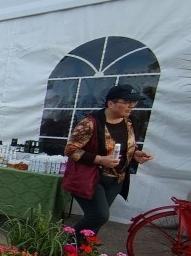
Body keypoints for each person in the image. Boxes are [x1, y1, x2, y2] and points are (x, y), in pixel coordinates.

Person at [64, 84, 154, 242]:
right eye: (126, 102)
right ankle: (64, 246)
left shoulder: (128, 122)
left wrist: (134, 154)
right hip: (91, 178)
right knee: (99, 216)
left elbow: (123, 146)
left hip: (115, 179)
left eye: (134, 102)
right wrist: (100, 159)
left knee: (95, 222)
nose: (131, 106)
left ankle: (80, 255)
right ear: (110, 103)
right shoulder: (90, 123)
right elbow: (71, 150)